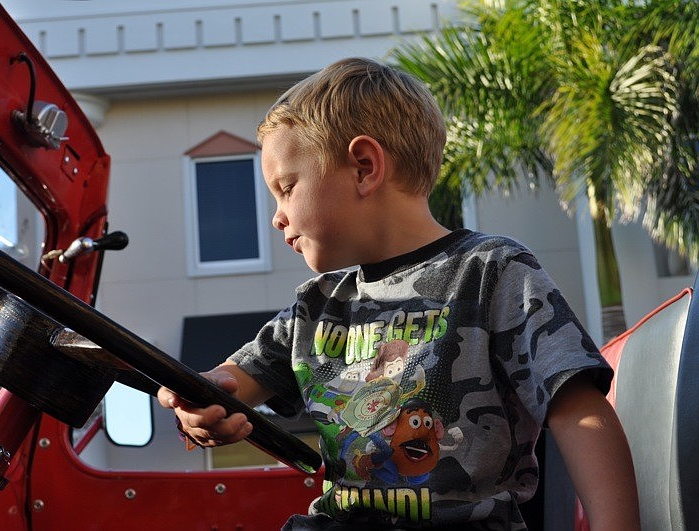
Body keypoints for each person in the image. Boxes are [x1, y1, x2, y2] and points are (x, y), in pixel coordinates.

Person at [158, 57, 640, 530]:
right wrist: (197, 408)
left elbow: (579, 411)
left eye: (287, 187)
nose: (277, 216)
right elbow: (229, 382)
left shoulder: (490, 274)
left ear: (365, 167)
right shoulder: (317, 307)